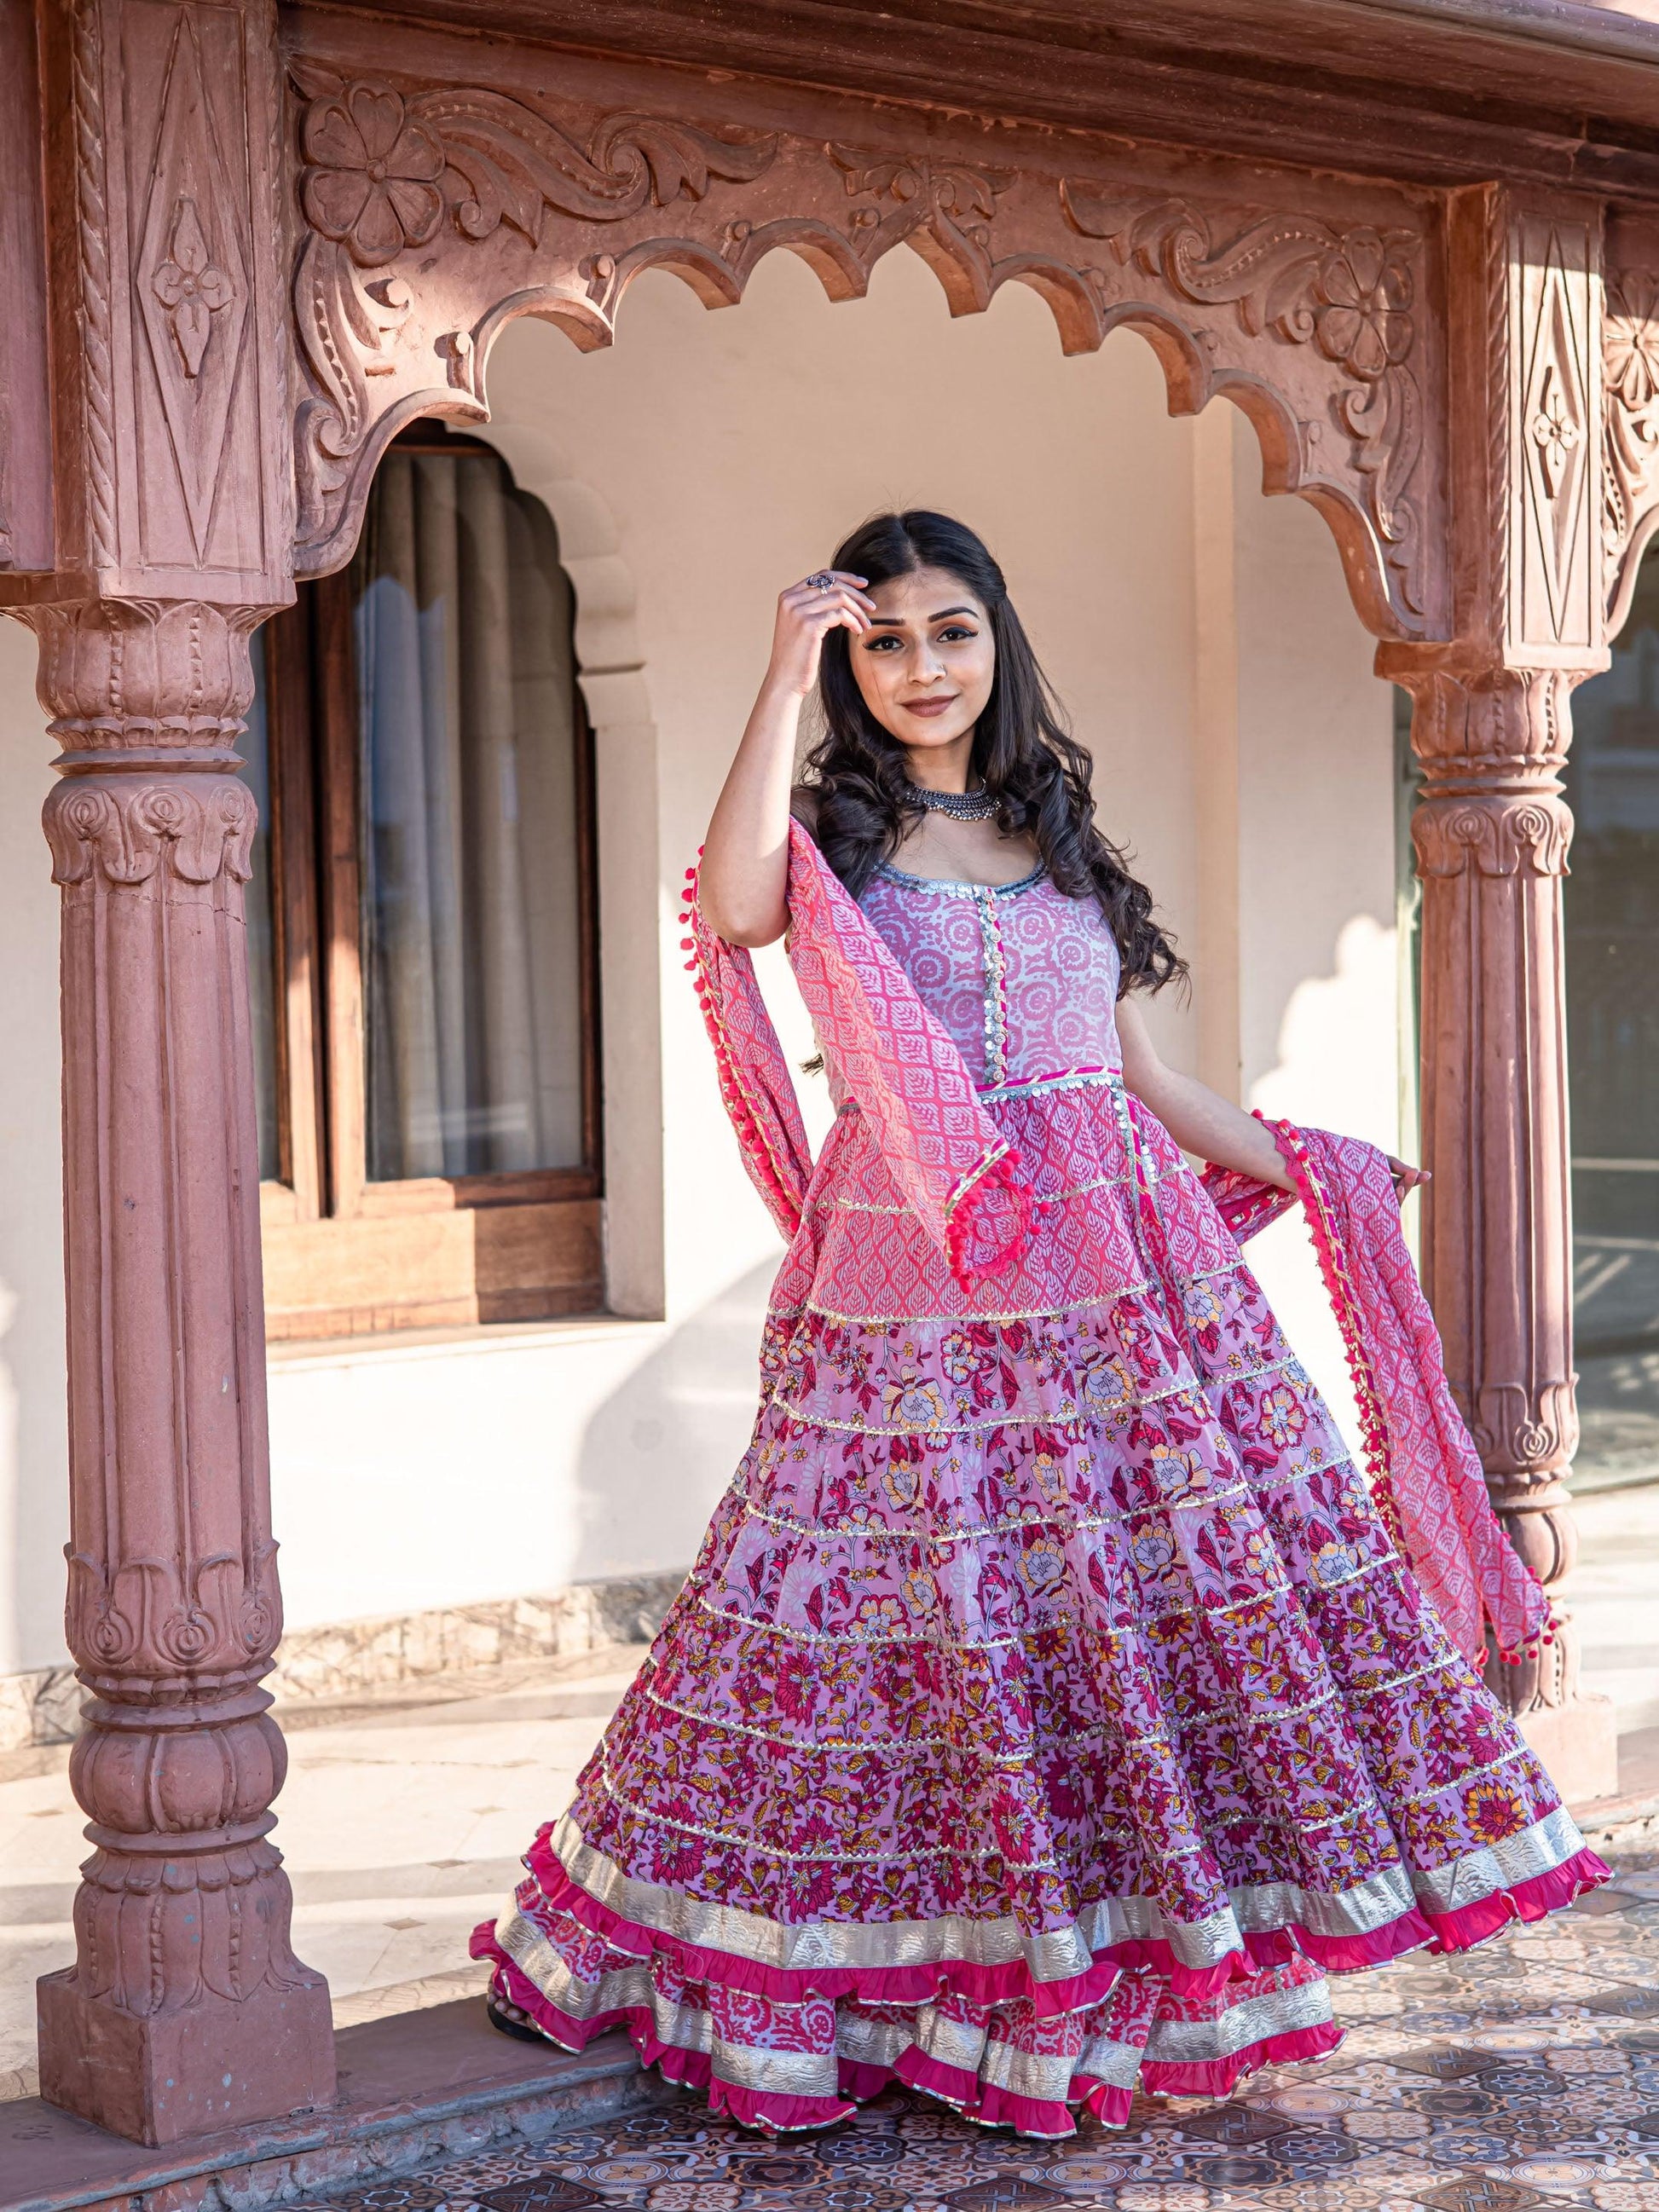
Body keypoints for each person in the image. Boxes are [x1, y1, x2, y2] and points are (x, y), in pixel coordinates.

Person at [473, 510, 1606, 2139]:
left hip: (1114, 1289)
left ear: (996, 642)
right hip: (914, 1295)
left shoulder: (1055, 832)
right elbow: (725, 913)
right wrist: (780, 672)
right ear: (849, 665)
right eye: (885, 641)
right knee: (910, 1630)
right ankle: (864, 1970)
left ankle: (1108, 1956)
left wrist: (1312, 1160)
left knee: (1113, 1624)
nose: (921, 668)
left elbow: (1138, 1079)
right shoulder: (831, 839)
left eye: (949, 632)